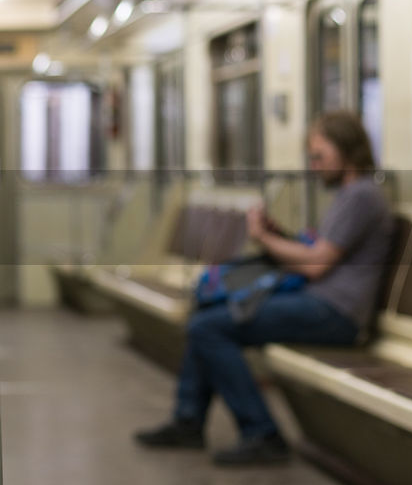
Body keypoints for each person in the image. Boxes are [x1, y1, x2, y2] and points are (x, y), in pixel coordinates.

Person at [135, 111, 394, 466]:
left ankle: (261, 433)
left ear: (348, 152)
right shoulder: (352, 195)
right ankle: (188, 420)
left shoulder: (361, 197)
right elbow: (319, 254)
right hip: (318, 301)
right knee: (206, 315)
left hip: (336, 313)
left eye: (321, 156)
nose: (314, 165)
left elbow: (316, 265)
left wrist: (263, 238)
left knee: (208, 328)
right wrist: (275, 235)